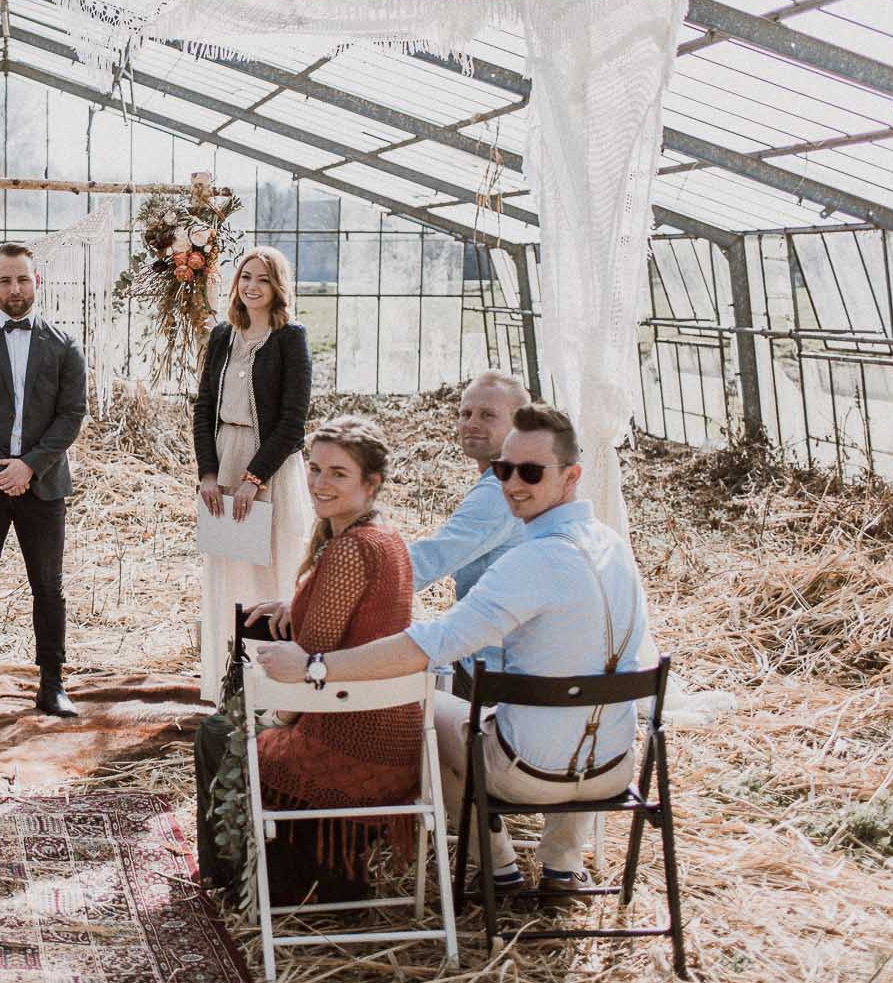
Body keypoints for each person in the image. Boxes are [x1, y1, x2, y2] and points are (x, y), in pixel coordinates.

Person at [255, 404, 648, 896]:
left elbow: (430, 645)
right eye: (504, 470)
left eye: (530, 471)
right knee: (581, 691)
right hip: (616, 769)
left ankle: (499, 864)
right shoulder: (615, 547)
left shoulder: (529, 561)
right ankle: (562, 864)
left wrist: (315, 666)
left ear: (572, 476)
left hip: (531, 774)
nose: (512, 484)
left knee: (422, 711)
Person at [194, 417, 419, 901]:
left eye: (338, 473)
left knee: (217, 732)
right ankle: (306, 866)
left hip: (350, 741)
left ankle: (243, 882)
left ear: (371, 483)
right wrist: (297, 607)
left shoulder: (347, 553)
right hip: (397, 737)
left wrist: (272, 719)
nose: (319, 483)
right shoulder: (388, 539)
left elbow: (304, 671)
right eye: (314, 469)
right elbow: (360, 623)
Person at [0, 242, 88, 717]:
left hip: (43, 483)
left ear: (37, 281)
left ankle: (52, 684)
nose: (15, 288)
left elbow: (72, 414)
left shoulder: (64, 345)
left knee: (49, 586)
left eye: (22, 278)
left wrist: (30, 466)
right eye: (5, 280)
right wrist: (0, 469)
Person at [192, 245, 315, 702]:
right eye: (245, 277)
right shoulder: (223, 336)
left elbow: (293, 420)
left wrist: (255, 478)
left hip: (271, 465)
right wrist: (209, 472)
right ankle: (230, 680)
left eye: (262, 279)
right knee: (230, 569)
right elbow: (204, 407)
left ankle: (275, 686)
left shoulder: (290, 338)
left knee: (270, 568)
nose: (252, 286)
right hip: (225, 459)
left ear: (277, 286)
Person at [408, 371, 528, 689]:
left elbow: (428, 561)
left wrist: (340, 585)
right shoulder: (520, 478)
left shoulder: (501, 490)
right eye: (465, 413)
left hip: (495, 675)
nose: (471, 423)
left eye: (487, 415)